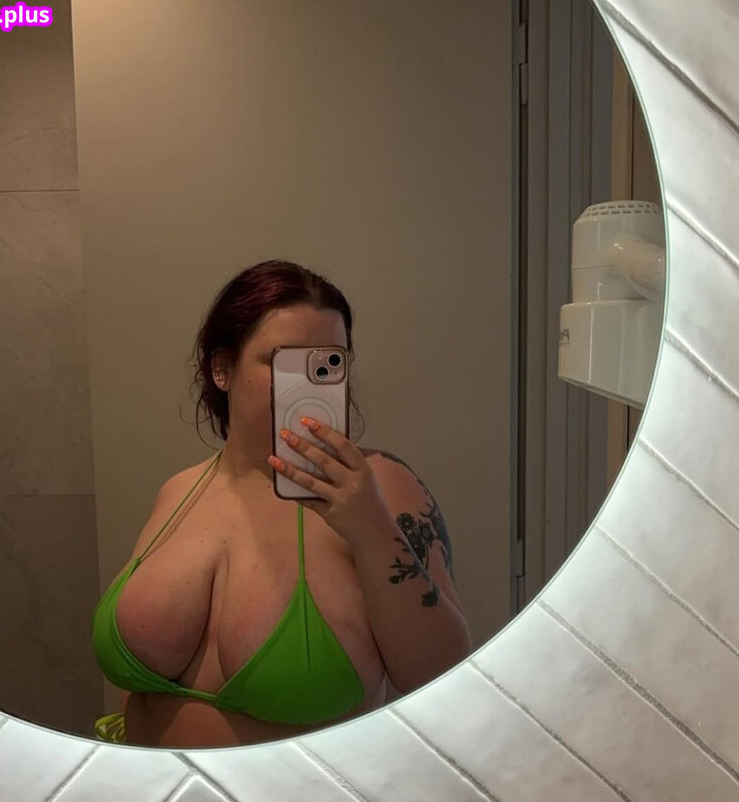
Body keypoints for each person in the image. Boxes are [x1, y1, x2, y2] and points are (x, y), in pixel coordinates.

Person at [92, 260, 471, 748]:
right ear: (223, 369)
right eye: (283, 362)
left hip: (304, 797)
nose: (304, 386)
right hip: (143, 789)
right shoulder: (178, 490)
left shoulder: (378, 485)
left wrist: (371, 529)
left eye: (327, 363)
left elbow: (443, 676)